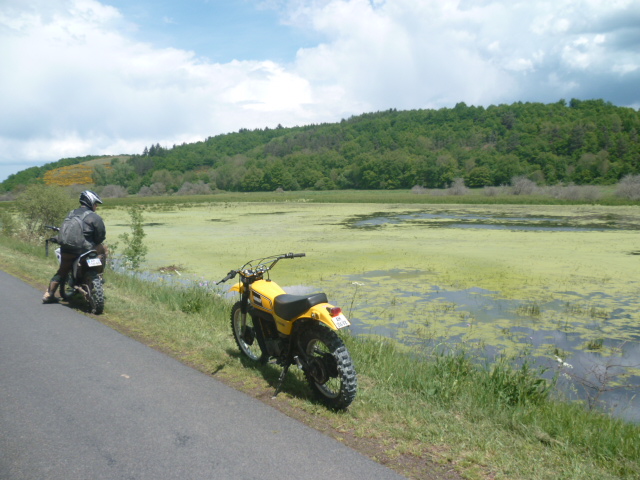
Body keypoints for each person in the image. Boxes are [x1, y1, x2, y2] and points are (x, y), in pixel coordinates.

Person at [42, 190, 107, 303]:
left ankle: (49, 294)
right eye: (96, 203)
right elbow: (100, 237)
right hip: (84, 249)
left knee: (62, 271)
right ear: (90, 202)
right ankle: (99, 275)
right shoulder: (94, 217)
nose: (96, 206)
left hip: (67, 249)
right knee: (103, 249)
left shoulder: (71, 214)